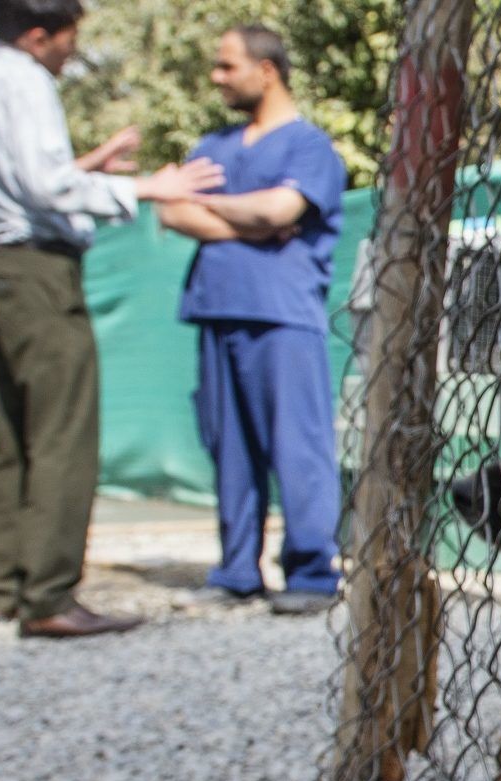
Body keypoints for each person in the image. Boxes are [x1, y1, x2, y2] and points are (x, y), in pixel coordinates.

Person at [0, 0, 220, 638]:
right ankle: (50, 595)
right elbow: (45, 189)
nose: (73, 52)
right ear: (40, 35)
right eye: (70, 38)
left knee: (13, 430)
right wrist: (150, 187)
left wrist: (90, 165)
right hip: (41, 270)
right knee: (63, 429)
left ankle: (4, 586)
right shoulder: (28, 80)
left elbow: (15, 179)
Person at [159, 25, 348, 615]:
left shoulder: (308, 147)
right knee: (229, 446)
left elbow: (282, 208)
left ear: (266, 71)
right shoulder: (214, 144)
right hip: (217, 308)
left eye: (226, 66)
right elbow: (171, 210)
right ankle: (236, 570)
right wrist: (250, 219)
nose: (216, 78)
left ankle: (312, 573)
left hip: (282, 313)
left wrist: (211, 205)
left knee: (299, 445)